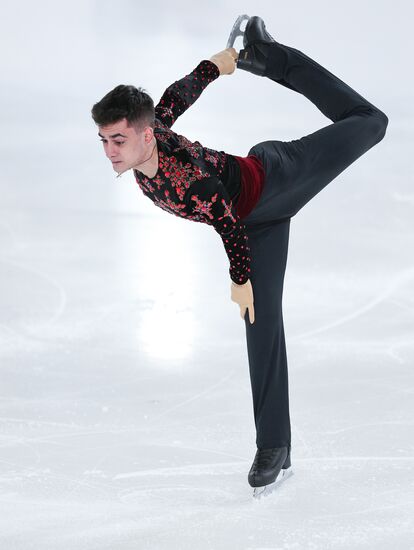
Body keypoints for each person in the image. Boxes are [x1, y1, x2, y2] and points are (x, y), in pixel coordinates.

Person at [91, 15, 388, 495]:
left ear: (145, 136)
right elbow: (175, 97)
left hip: (278, 179)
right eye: (104, 140)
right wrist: (216, 64)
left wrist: (239, 279)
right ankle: (274, 446)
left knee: (373, 123)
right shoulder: (151, 135)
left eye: (118, 140)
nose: (109, 151)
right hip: (258, 222)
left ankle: (272, 57)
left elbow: (225, 220)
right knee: (261, 325)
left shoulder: (185, 178)